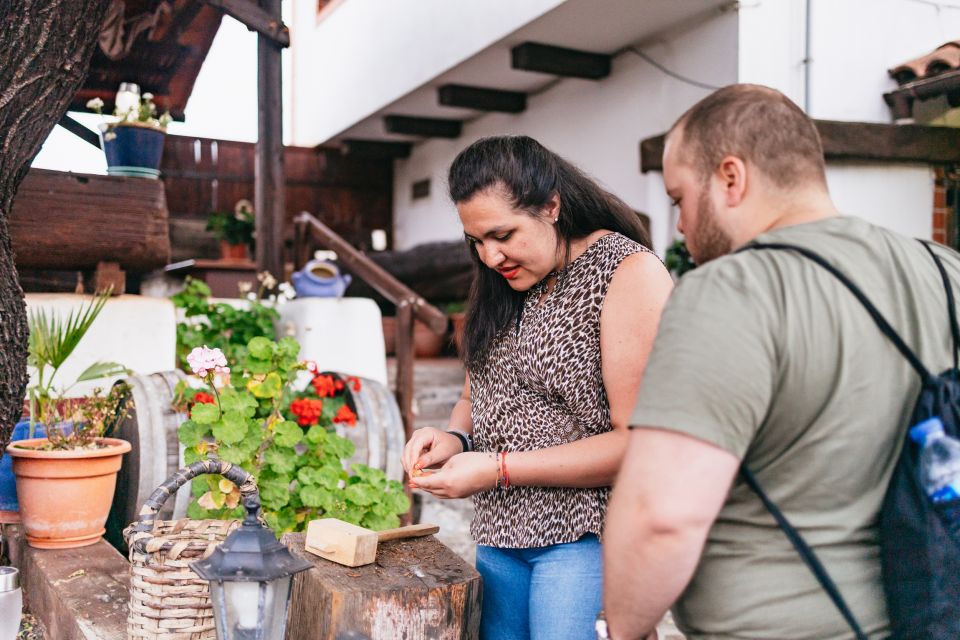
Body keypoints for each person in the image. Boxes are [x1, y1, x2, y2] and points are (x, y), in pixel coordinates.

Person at [602, 83, 960, 640]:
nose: (679, 225)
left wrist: (623, 629)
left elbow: (661, 518)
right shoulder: (946, 271)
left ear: (730, 178)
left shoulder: (731, 289)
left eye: (679, 199)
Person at [402, 135, 673, 640]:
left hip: (586, 535)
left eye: (503, 234)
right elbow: (474, 396)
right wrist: (454, 440)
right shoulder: (505, 279)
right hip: (500, 532)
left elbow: (639, 440)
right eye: (477, 241)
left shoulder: (624, 272)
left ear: (551, 205)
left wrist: (499, 469)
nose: (489, 256)